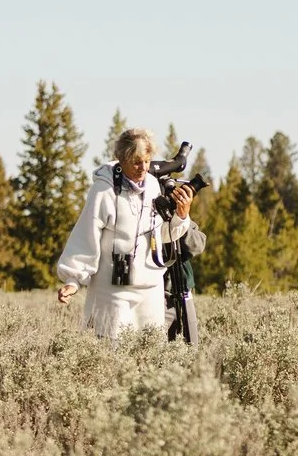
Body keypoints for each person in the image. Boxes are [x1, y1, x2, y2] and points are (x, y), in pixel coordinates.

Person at [54, 127, 206, 338]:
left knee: (149, 352)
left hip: (151, 288)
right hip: (113, 292)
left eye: (146, 160)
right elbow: (86, 235)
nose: (143, 167)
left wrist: (181, 215)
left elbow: (162, 235)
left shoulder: (153, 186)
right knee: (113, 352)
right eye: (136, 162)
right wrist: (73, 280)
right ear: (121, 160)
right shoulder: (103, 190)